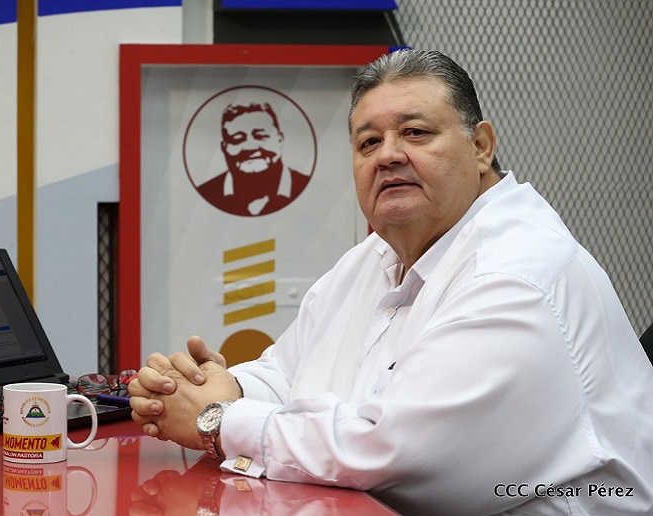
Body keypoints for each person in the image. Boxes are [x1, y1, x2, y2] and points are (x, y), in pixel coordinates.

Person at [129, 49, 653, 515]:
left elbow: (392, 458)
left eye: (416, 133)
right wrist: (212, 389)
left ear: (481, 146)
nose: (388, 155)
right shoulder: (374, 257)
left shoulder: (516, 272)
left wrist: (218, 419)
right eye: (369, 142)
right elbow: (290, 372)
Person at [195, 101, 310, 216]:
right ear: (224, 147)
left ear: (280, 139)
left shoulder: (310, 189)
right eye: (237, 139)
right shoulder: (202, 195)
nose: (250, 147)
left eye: (261, 136)